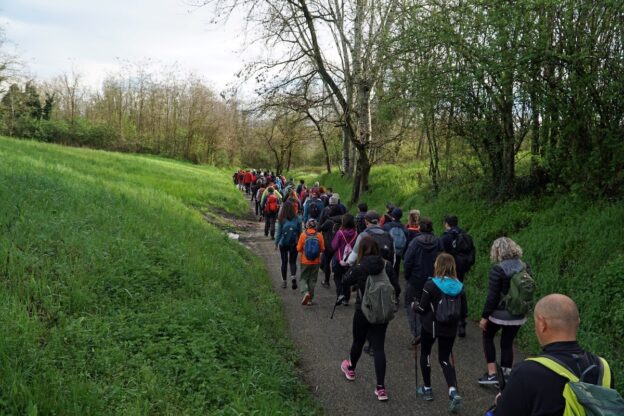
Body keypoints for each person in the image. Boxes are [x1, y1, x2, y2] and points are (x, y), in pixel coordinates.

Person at [493, 294, 618, 416]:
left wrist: (502, 402)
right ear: (578, 322)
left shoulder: (526, 372)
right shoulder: (603, 368)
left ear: (542, 324)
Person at [340, 236, 401, 401]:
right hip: (381, 312)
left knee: (358, 341)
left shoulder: (360, 267)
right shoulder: (387, 265)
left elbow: (345, 281)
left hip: (363, 310)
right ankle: (381, 388)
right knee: (379, 347)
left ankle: (351, 368)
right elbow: (397, 288)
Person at [412, 253, 466, 413]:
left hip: (431, 326)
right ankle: (453, 391)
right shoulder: (460, 287)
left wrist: (414, 305)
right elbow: (464, 312)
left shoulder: (431, 285)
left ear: (438, 266)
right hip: (450, 329)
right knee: (444, 359)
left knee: (426, 354)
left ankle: (427, 389)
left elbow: (421, 309)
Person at [479, 237, 530, 385]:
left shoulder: (498, 269)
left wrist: (484, 316)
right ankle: (507, 375)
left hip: (499, 313)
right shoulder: (525, 266)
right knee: (507, 342)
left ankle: (492, 374)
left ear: (497, 251)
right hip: (518, 313)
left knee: (487, 336)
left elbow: (493, 296)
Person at [403, 218, 443, 345]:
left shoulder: (415, 242)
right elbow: (443, 260)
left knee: (411, 304)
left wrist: (408, 276)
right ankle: (429, 330)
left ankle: (417, 332)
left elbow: (407, 261)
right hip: (434, 280)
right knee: (430, 305)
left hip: (416, 279)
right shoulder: (438, 241)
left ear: (419, 228)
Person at [441, 214, 476, 338]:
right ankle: (462, 321)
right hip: (461, 268)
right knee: (460, 290)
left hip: (449, 269)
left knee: (447, 292)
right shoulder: (465, 235)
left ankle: (448, 317)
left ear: (446, 224)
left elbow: (442, 254)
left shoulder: (445, 237)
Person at [296, 219, 325, 305]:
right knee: (312, 280)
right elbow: (322, 249)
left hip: (305, 261)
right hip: (316, 262)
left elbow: (298, 248)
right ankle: (310, 300)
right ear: (316, 226)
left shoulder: (303, 235)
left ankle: (305, 292)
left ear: (307, 226)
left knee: (303, 278)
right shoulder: (319, 235)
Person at [331, 213, 358, 305]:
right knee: (346, 278)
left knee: (337, 277)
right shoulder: (356, 233)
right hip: (350, 259)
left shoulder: (340, 233)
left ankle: (340, 294)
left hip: (339, 258)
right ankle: (347, 298)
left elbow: (334, 246)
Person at [275, 202, 302, 289]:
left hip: (283, 243)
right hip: (294, 242)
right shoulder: (297, 219)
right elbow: (300, 233)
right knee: (293, 261)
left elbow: (278, 233)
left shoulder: (281, 219)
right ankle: (293, 277)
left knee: (284, 262)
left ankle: (284, 281)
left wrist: (276, 243)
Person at [383, 207, 408, 279]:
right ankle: (395, 281)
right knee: (396, 267)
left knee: (387, 266)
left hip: (388, 251)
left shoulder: (386, 226)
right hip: (399, 251)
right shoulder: (404, 228)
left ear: (392, 215)